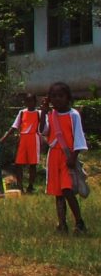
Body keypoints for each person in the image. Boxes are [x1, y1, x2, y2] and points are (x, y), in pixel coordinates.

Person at [43, 82, 88, 234]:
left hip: (68, 157)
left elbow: (78, 137)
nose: (57, 99)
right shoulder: (51, 115)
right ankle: (62, 224)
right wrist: (43, 113)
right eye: (53, 96)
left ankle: (79, 222)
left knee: (67, 189)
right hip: (54, 156)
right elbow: (43, 131)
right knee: (58, 192)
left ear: (67, 97)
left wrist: (74, 157)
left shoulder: (73, 115)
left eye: (60, 96)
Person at [0, 92, 43, 194]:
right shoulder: (22, 112)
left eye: (31, 101)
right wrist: (5, 137)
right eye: (27, 101)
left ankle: (30, 186)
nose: (29, 103)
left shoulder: (38, 113)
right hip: (23, 137)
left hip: (33, 137)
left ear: (35, 102)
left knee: (33, 164)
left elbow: (43, 127)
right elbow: (14, 126)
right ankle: (20, 186)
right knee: (19, 163)